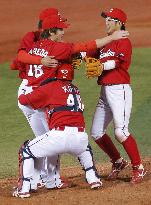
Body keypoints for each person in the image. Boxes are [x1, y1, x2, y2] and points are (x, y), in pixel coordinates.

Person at [13, 65, 102, 198]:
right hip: (80, 137)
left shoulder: (51, 86)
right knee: (85, 147)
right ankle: (93, 178)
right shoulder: (76, 90)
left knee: (26, 150)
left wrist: (25, 86)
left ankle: (24, 188)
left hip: (58, 137)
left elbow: (23, 100)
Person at [10, 8, 68, 191]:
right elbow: (19, 58)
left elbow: (15, 63)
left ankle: (43, 177)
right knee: (52, 138)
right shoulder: (32, 38)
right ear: (47, 26)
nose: (62, 30)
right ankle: (50, 178)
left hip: (32, 94)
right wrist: (41, 61)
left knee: (44, 138)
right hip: (34, 95)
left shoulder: (44, 43)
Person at [89, 8, 146, 183]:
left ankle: (139, 167)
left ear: (119, 23)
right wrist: (81, 55)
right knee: (96, 132)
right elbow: (91, 52)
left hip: (119, 90)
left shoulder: (123, 41)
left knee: (121, 132)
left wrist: (102, 67)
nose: (106, 22)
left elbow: (119, 62)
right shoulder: (106, 42)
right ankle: (118, 161)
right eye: (106, 20)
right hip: (105, 91)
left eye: (110, 20)